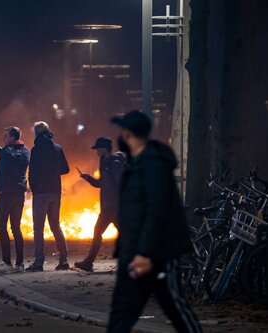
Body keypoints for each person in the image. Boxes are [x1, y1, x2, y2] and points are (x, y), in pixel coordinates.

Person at [107, 110, 201, 333]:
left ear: (129, 134)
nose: (119, 136)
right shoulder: (137, 164)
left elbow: (156, 211)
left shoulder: (153, 164)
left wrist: (145, 253)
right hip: (134, 254)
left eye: (122, 131)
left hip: (156, 255)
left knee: (176, 309)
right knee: (121, 315)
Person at [74, 137, 125, 272]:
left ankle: (88, 263)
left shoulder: (114, 163)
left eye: (97, 148)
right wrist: (88, 178)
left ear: (104, 149)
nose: (96, 151)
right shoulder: (106, 162)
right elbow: (101, 183)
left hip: (114, 207)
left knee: (99, 233)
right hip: (109, 207)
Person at [26, 121, 70, 272]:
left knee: (38, 229)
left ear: (37, 133)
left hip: (41, 193)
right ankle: (64, 261)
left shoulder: (36, 150)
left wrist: (34, 188)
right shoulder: (57, 148)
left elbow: (32, 172)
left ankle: (39, 263)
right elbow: (66, 169)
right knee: (55, 226)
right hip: (55, 192)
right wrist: (54, 171)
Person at [0, 126, 30, 273]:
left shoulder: (7, 152)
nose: (4, 138)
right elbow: (12, 157)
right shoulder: (26, 151)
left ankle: (6, 263)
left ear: (12, 137)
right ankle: (20, 264)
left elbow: (1, 171)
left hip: (5, 194)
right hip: (19, 194)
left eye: (6, 136)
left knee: (2, 227)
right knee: (16, 228)